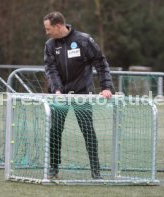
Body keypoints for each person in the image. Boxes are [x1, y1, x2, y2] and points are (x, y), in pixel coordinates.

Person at [43, 11, 113, 179]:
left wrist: (106, 87)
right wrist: (57, 90)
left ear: (58, 26)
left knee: (88, 131)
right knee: (55, 131)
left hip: (82, 94)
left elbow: (101, 63)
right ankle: (53, 168)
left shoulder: (83, 40)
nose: (46, 32)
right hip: (60, 96)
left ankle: (96, 171)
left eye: (48, 29)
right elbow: (50, 70)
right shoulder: (50, 45)